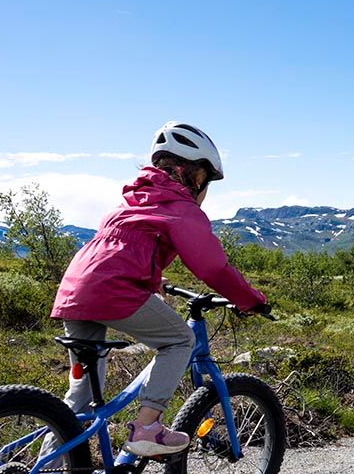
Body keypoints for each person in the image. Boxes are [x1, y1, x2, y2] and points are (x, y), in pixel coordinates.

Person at [50, 121, 269, 456]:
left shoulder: (132, 200)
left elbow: (121, 248)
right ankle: (147, 427)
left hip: (76, 288)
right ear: (193, 175)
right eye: (206, 179)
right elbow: (212, 267)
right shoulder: (179, 207)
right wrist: (250, 300)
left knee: (79, 398)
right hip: (113, 289)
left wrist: (152, 278)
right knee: (180, 340)